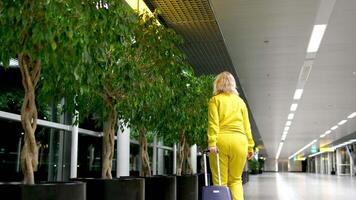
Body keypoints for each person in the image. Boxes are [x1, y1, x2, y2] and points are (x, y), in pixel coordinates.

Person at [207, 71, 255, 200]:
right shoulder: (241, 102)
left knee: (220, 181)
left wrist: (212, 143)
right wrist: (250, 147)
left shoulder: (215, 100)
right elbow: (247, 127)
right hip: (240, 142)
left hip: (221, 141)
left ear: (217, 84)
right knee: (236, 180)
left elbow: (213, 124)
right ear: (233, 84)